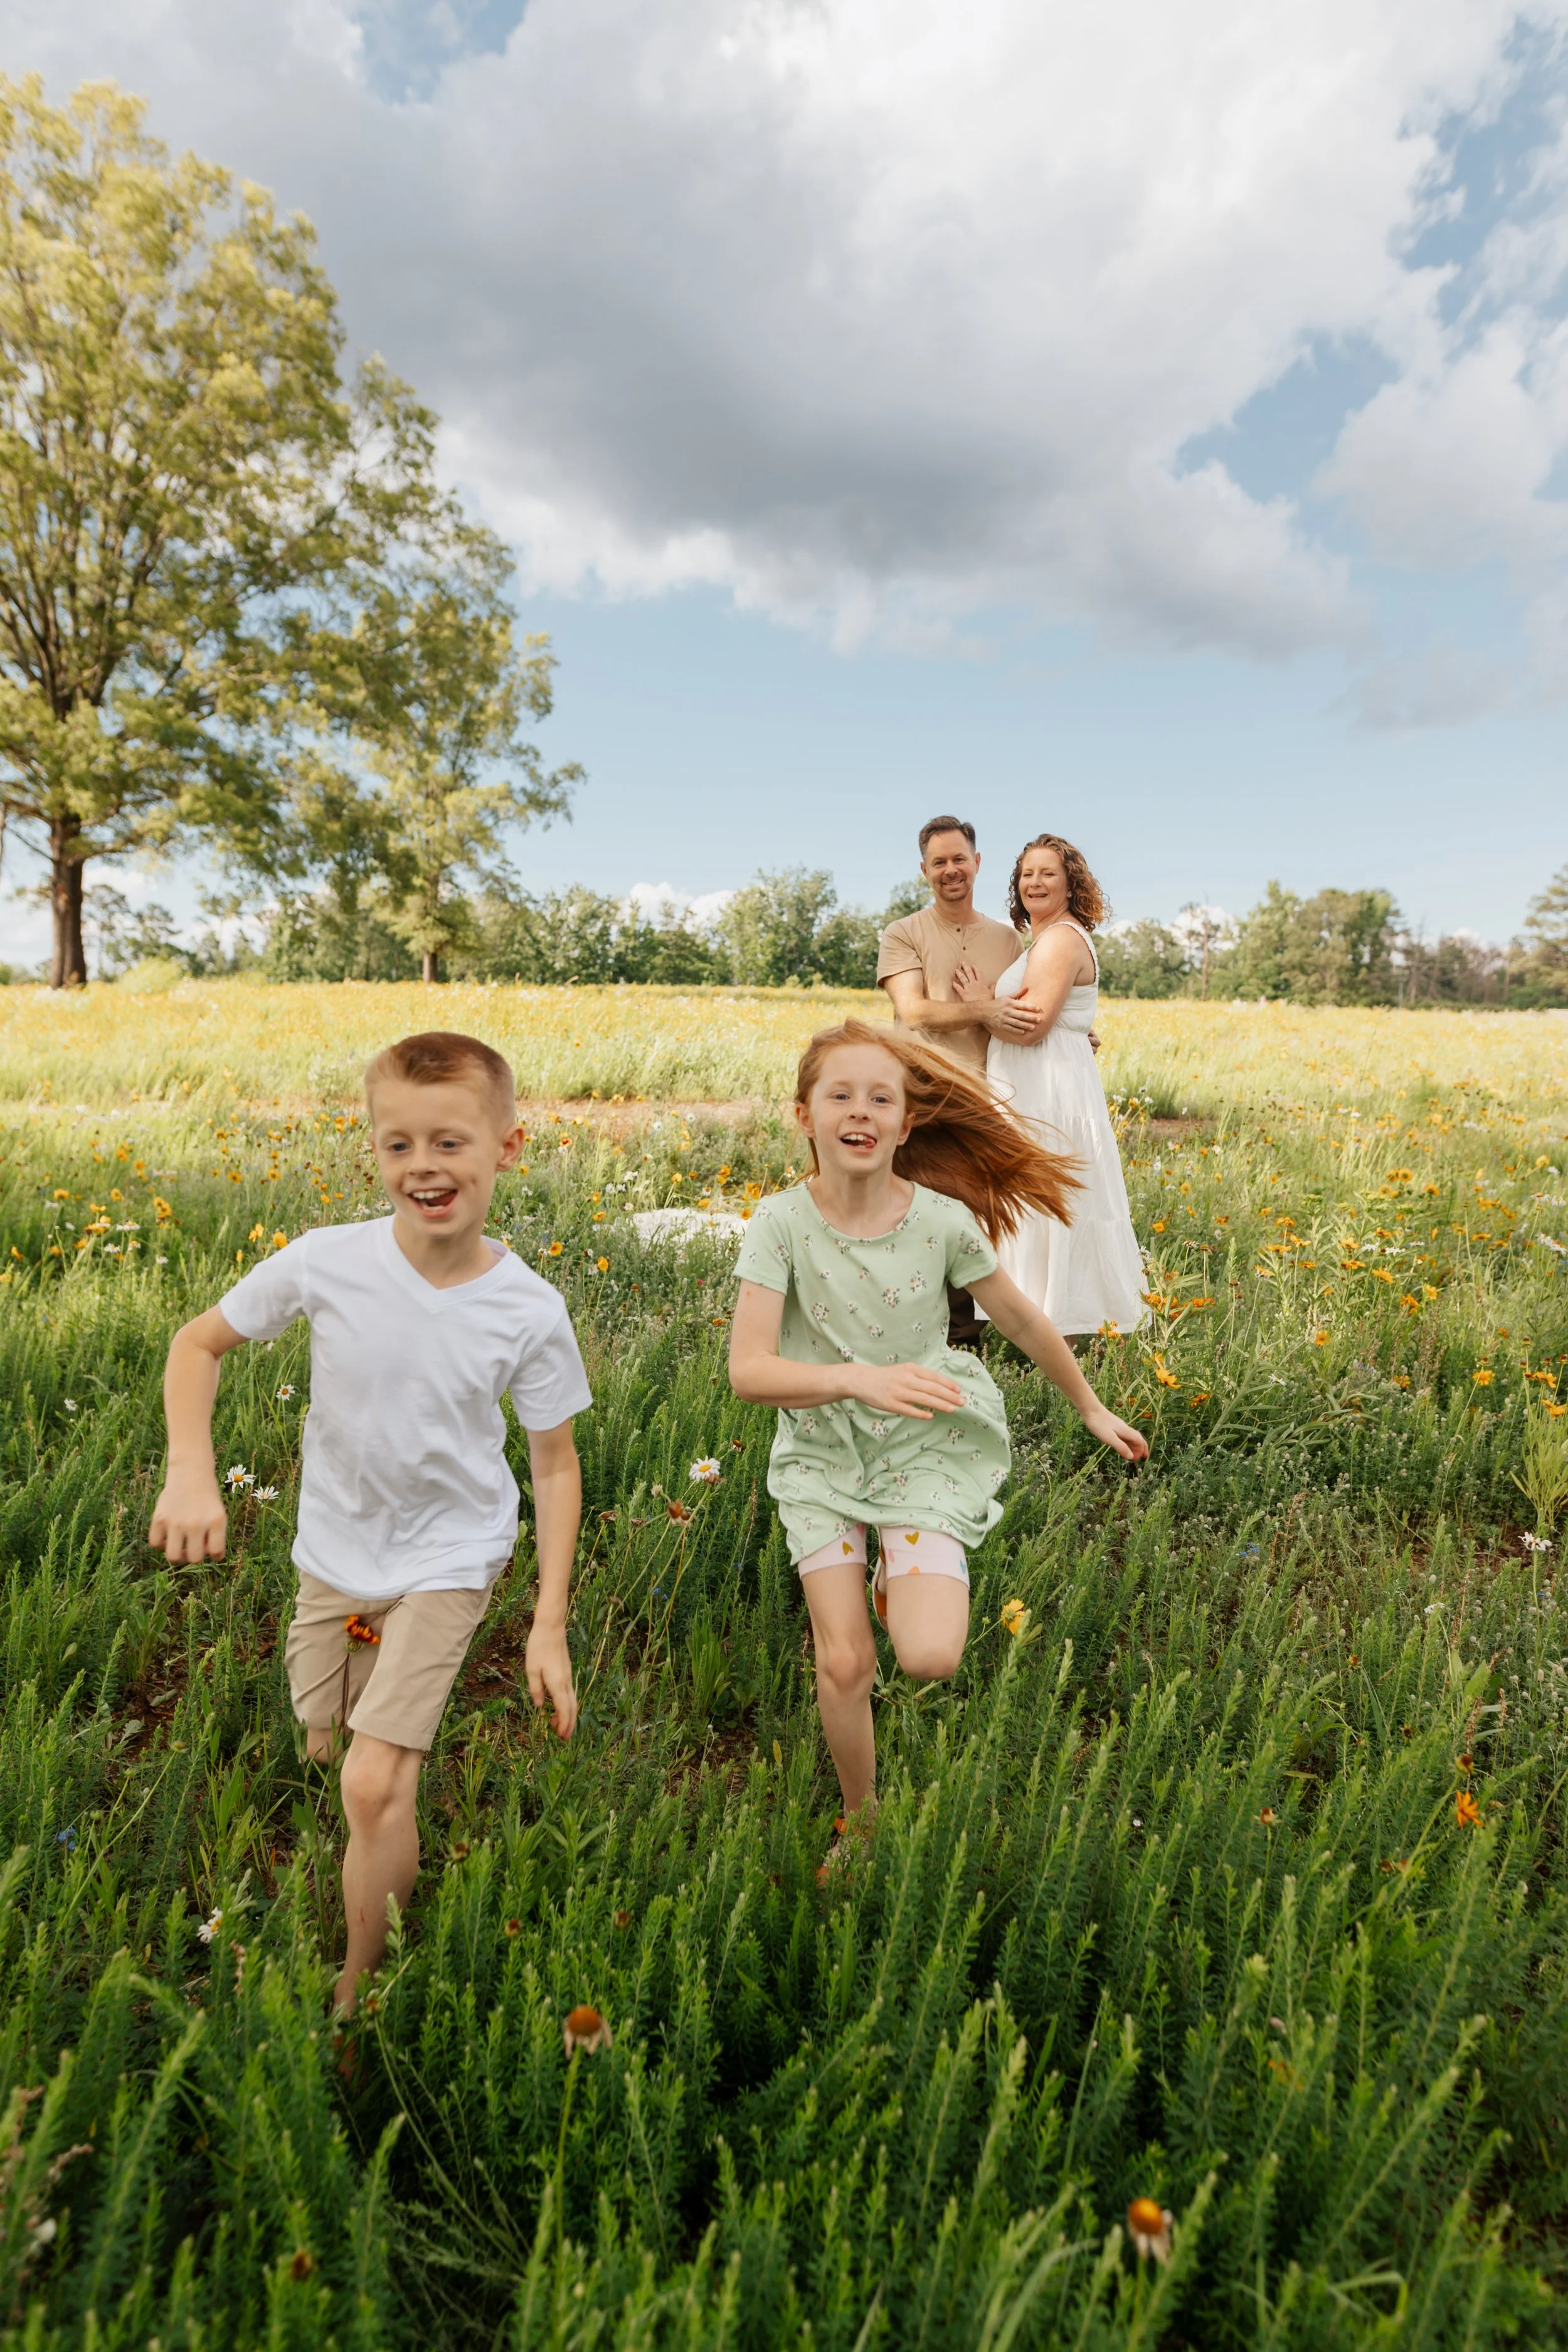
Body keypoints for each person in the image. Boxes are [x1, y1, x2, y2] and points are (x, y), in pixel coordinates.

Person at [147, 1030, 591, 2018]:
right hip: (336, 1551)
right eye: (399, 1144)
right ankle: (358, 1769)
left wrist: (548, 1621)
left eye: (450, 1141)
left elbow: (556, 1462)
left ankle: (359, 1992)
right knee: (321, 1744)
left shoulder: (529, 1308)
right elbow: (197, 1344)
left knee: (373, 1782)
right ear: (375, 1150)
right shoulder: (328, 1262)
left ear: (508, 1147)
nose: (423, 1166)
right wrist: (190, 1470)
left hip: (452, 1554)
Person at [728, 1018, 1148, 1865]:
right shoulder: (778, 1224)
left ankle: (899, 1565)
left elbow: (1021, 1318)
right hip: (821, 1452)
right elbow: (749, 1370)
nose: (860, 1110)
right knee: (845, 1664)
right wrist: (856, 1379)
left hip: (923, 1441)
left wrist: (1090, 1406)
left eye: (880, 1098)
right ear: (804, 1115)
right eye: (840, 1095)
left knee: (928, 1656)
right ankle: (862, 1819)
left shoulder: (942, 1222)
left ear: (905, 1124)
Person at [954, 834, 1147, 1336]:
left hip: (1048, 1092)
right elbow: (1055, 1019)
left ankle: (1064, 1328)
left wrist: (978, 1003)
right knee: (1040, 1205)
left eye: (1048, 873)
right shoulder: (1048, 940)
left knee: (1053, 1205)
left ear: (1071, 884)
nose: (1035, 882)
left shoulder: (1061, 938)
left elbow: (1031, 1026)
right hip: (1040, 1082)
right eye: (1027, 874)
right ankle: (1042, 1328)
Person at [877, 815, 1042, 1347]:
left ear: (977, 863)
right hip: (922, 1095)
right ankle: (921, 1331)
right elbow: (915, 1011)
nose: (951, 870)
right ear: (924, 870)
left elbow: (1026, 1011)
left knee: (980, 1213)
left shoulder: (1008, 940)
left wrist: (1065, 1034)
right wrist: (985, 1009)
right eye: (939, 862)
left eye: (959, 859)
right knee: (923, 1211)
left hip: (988, 1097)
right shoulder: (903, 933)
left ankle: (974, 1332)